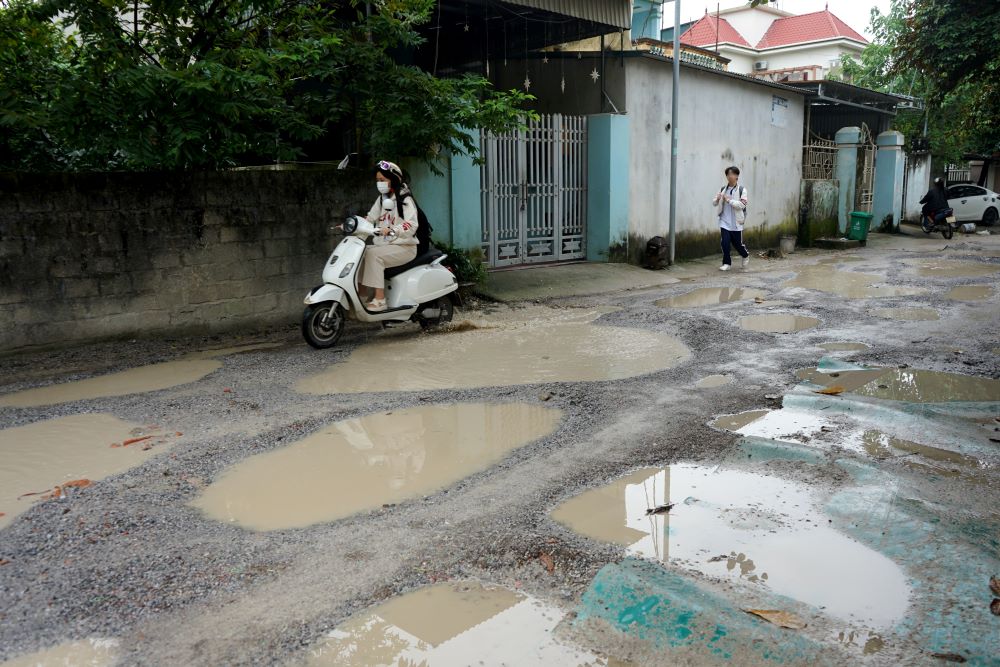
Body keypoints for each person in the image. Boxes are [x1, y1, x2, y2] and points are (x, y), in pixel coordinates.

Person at [360, 160, 419, 311]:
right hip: (386, 246)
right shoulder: (382, 198)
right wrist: (353, 224)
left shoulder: (405, 199)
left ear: (393, 179)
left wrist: (393, 230)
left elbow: (411, 224)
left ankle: (380, 300)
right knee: (361, 252)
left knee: (373, 255)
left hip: (405, 246)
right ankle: (362, 294)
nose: (379, 183)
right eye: (377, 181)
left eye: (382, 180)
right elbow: (370, 218)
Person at [712, 166, 750, 272]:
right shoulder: (723, 189)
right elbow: (714, 203)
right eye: (728, 174)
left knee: (738, 244)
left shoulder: (742, 190)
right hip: (724, 221)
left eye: (732, 174)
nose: (730, 176)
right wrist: (718, 199)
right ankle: (726, 263)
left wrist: (729, 201)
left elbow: (742, 205)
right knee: (725, 242)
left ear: (737, 176)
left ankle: (745, 255)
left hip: (737, 222)